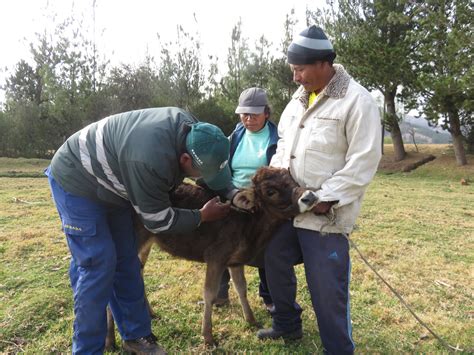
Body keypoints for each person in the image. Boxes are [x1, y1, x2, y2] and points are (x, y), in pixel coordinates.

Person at [46, 107, 234, 354]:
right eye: (203, 174)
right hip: (77, 178)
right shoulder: (149, 161)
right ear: (185, 160)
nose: (204, 180)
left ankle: (136, 337)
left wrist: (230, 191)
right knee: (98, 262)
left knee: (126, 259)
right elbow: (158, 221)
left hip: (115, 180)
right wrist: (201, 216)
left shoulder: (198, 134)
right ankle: (88, 349)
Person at [256, 25, 382, 355]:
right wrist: (275, 184)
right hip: (288, 212)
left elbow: (363, 163)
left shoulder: (357, 101)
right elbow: (283, 147)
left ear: (323, 64)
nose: (295, 77)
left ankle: (338, 349)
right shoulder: (297, 102)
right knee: (272, 258)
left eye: (300, 69)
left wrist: (322, 198)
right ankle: (287, 323)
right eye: (293, 70)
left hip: (325, 218)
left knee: (326, 289)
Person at [214, 87, 279, 312]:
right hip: (232, 194)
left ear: (266, 113)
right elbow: (222, 164)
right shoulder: (236, 135)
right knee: (221, 243)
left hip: (262, 200)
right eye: (244, 114)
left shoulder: (276, 138)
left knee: (264, 246)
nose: (248, 119)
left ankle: (269, 296)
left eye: (254, 114)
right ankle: (219, 294)